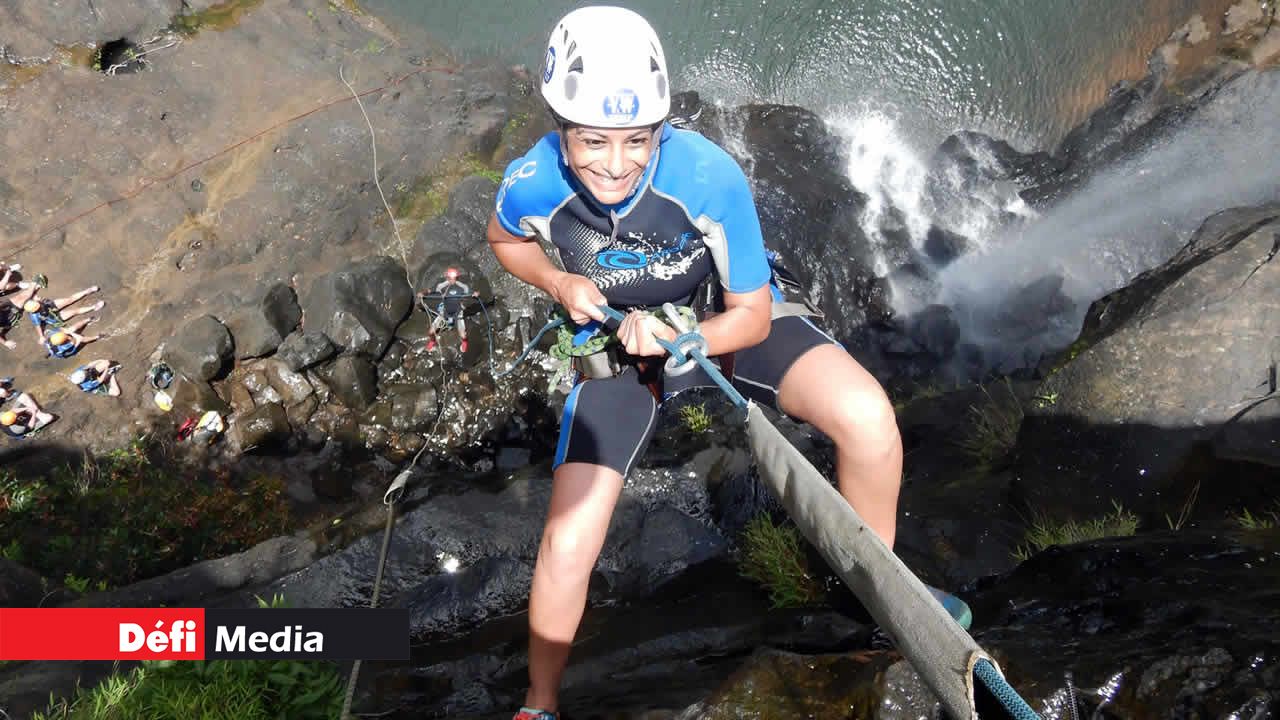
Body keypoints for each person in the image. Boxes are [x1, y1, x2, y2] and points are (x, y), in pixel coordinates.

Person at [486, 8, 969, 719]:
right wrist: (561, 283)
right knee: (566, 538)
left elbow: (750, 311)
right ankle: (540, 702)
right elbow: (507, 241)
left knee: (868, 419)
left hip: (724, 323)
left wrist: (691, 340)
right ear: (560, 125)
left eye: (637, 140)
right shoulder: (532, 182)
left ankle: (882, 597)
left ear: (661, 129)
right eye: (593, 140)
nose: (616, 163)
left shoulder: (708, 174)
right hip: (621, 351)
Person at [417, 267, 480, 353]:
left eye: (454, 278)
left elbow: (474, 292)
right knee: (431, 332)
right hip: (445, 311)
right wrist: (422, 293)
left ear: (457, 278)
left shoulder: (462, 286)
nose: (452, 280)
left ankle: (464, 342)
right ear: (447, 277)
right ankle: (432, 341)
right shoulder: (441, 285)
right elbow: (429, 290)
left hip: (457, 312)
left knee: (463, 335)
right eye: (450, 278)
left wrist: (476, 293)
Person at [24, 284, 103, 338]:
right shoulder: (34, 316)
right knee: (75, 311)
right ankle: (93, 307)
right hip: (53, 317)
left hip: (50, 306)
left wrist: (36, 287)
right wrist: (41, 337)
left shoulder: (32, 301)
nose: (39, 298)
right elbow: (37, 326)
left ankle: (88, 291)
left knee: (70, 299)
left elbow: (32, 294)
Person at [0, 265, 40, 351]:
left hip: (4, 308)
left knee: (22, 296)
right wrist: (5, 343)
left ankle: (33, 290)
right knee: (25, 297)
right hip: (8, 317)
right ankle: (35, 284)